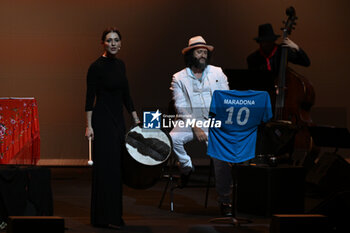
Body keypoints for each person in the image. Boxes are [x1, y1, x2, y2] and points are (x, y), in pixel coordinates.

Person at [169, 36, 233, 216]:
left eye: (205, 52)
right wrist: (195, 126)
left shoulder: (218, 73)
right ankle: (186, 167)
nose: (203, 55)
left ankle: (225, 200)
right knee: (173, 138)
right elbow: (180, 106)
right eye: (199, 52)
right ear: (190, 54)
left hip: (214, 121)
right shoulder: (179, 77)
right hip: (189, 120)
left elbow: (225, 99)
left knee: (222, 159)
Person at [85, 27, 140, 229]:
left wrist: (135, 117)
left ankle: (115, 216)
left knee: (116, 169)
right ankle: (102, 217)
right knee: (105, 169)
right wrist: (88, 125)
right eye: (109, 40)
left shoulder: (121, 65)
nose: (113, 43)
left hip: (118, 122)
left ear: (121, 43)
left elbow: (126, 94)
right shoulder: (96, 67)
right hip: (102, 121)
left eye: (116, 40)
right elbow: (90, 98)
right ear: (103, 43)